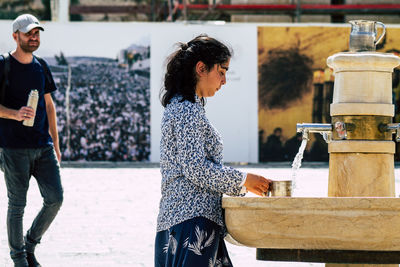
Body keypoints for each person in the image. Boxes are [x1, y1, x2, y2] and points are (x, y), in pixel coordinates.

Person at [154, 35, 272, 267]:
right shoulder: (186, 109)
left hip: (183, 220)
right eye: (222, 71)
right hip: (191, 222)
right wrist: (245, 180)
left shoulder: (186, 106)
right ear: (201, 68)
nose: (224, 80)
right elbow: (195, 168)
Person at [0, 14, 63, 267]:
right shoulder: (3, 64)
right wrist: (15, 114)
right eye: (28, 33)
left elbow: (49, 106)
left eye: (37, 33)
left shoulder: (41, 66)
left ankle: (29, 245)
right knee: (17, 204)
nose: (33, 37)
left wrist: (56, 144)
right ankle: (19, 260)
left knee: (55, 198)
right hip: (13, 147)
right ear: (15, 36)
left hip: (43, 147)